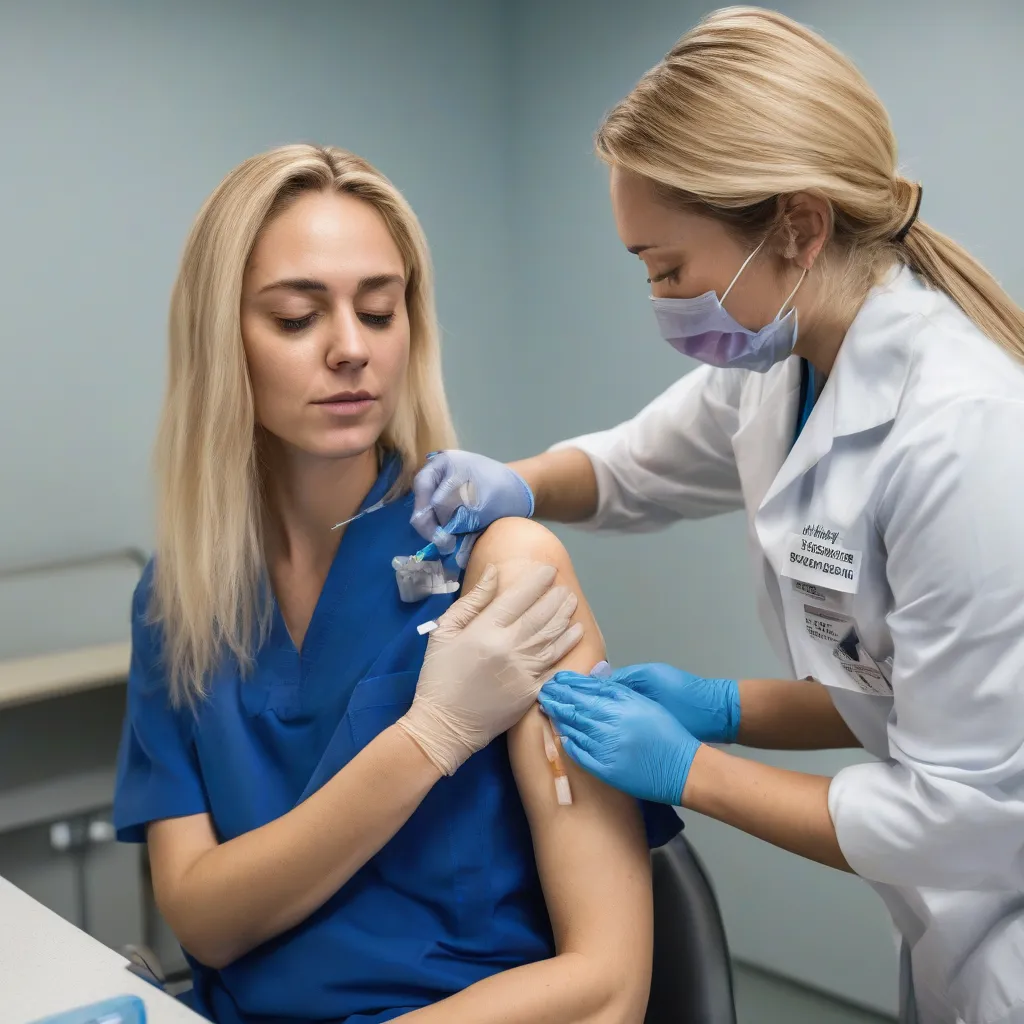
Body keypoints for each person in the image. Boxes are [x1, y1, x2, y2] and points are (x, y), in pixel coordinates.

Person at [409, 9, 1024, 1024]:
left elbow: (965, 813)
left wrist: (694, 765)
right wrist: (506, 484)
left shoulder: (962, 438)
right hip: (949, 929)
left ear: (795, 225)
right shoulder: (786, 363)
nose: (659, 301)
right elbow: (634, 467)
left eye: (666, 269)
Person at [112, 144, 680, 1024]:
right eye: (298, 319)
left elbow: (608, 985)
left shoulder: (503, 570)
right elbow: (203, 922)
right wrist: (430, 737)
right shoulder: (177, 600)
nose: (351, 349)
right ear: (221, 340)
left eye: (379, 310)